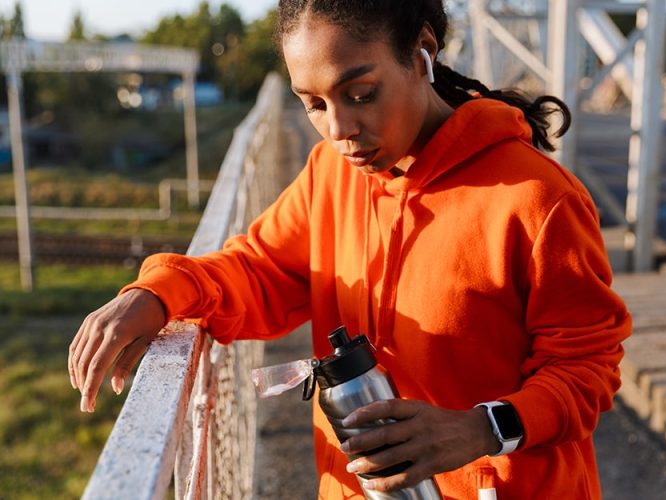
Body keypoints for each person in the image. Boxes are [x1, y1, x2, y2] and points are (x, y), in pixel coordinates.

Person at [68, 0, 632, 497]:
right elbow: (262, 269)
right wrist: (158, 293)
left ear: (422, 54)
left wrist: (480, 428)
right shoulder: (330, 174)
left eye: (359, 93)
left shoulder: (537, 198)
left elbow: (587, 366)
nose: (339, 129)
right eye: (313, 104)